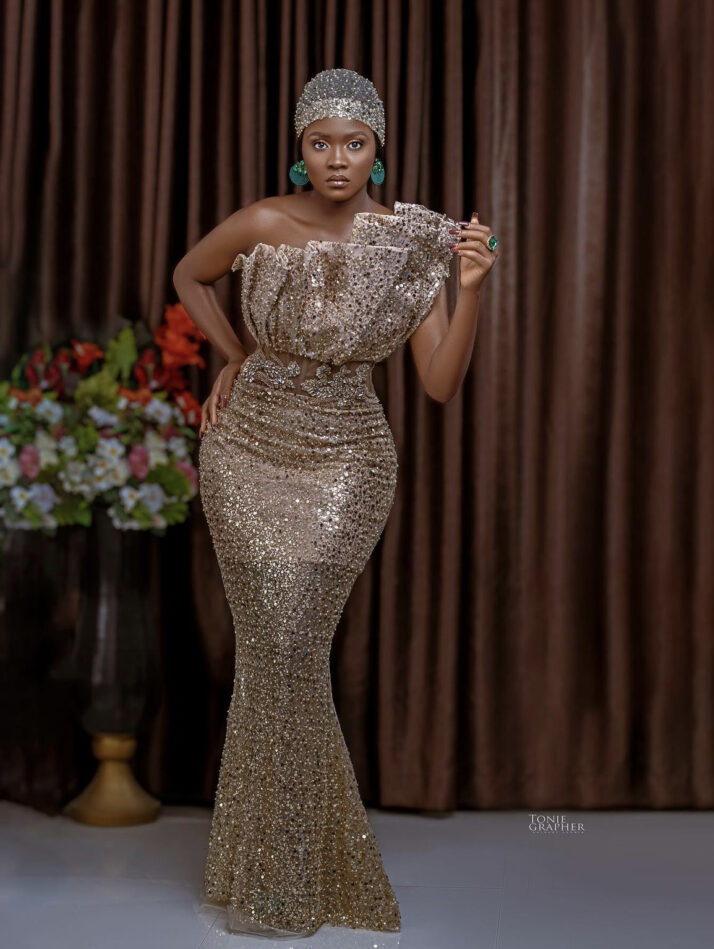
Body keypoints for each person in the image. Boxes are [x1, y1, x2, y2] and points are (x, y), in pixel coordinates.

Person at [172, 67, 500, 939]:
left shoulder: (411, 243)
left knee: (289, 645)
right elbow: (188, 274)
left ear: (379, 151)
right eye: (321, 142)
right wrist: (234, 353)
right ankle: (283, 872)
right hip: (246, 446)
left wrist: (468, 292)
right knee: (274, 650)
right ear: (300, 149)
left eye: (355, 143)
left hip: (348, 457)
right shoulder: (262, 220)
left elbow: (437, 381)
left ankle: (287, 870)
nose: (338, 159)